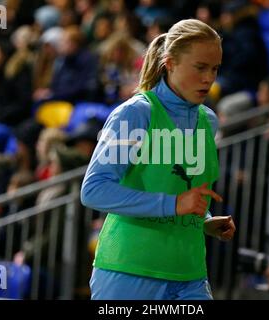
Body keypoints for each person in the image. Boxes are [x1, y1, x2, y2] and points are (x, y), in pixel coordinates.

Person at [81, 18, 236, 300]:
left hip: (190, 272)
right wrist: (174, 204)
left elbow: (182, 191)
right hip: (130, 270)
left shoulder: (208, 122)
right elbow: (94, 190)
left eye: (214, 69)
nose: (209, 78)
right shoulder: (134, 113)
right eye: (200, 67)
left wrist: (205, 220)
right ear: (170, 63)